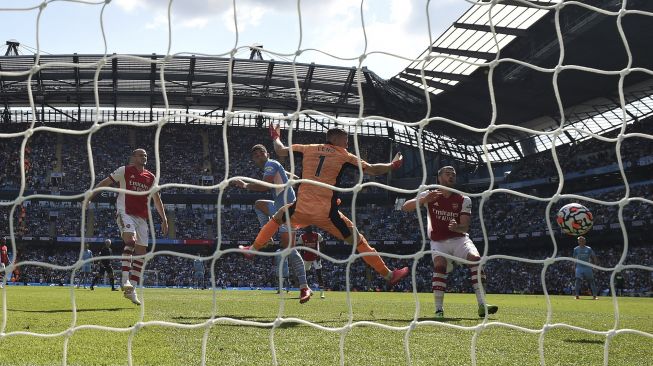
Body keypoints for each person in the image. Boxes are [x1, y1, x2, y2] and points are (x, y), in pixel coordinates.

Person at [240, 124, 409, 290]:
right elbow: (372, 170)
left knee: (278, 217)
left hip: (301, 209)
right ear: (334, 138)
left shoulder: (309, 148)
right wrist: (391, 165)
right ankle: (388, 275)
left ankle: (253, 249)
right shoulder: (344, 155)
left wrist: (275, 136)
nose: (348, 142)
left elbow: (280, 150)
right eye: (346, 138)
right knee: (357, 241)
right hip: (327, 214)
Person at [402, 166, 498, 319]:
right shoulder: (430, 194)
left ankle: (482, 304)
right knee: (439, 265)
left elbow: (465, 226)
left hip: (459, 239)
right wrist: (424, 200)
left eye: (453, 174)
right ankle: (439, 310)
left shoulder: (463, 199)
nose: (452, 176)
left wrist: (457, 226)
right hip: (438, 242)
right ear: (439, 178)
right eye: (448, 174)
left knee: (476, 259)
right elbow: (405, 207)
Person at [232, 144, 312, 303]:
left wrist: (245, 185)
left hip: (289, 211)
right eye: (255, 155)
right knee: (259, 205)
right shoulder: (275, 165)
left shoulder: (271, 164)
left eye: (261, 152)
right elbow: (289, 176)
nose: (258, 155)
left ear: (267, 154)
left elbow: (265, 186)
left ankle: (304, 286)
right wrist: (297, 180)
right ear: (253, 160)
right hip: (279, 207)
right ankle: (266, 236)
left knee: (289, 250)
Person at [88, 148, 168, 305]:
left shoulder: (150, 177)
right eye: (140, 155)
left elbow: (157, 199)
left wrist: (164, 219)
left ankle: (132, 289)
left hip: (142, 218)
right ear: (133, 157)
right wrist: (90, 196)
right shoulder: (124, 170)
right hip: (125, 212)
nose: (144, 157)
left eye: (145, 155)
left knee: (141, 254)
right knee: (130, 241)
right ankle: (125, 280)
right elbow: (105, 183)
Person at [297, 226, 326, 299]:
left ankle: (322, 293)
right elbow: (300, 249)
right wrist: (301, 257)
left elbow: (323, 243)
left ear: (312, 228)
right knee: (303, 275)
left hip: (316, 257)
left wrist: (319, 254)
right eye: (307, 228)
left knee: (319, 274)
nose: (308, 229)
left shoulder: (317, 235)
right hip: (306, 258)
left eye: (309, 228)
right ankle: (306, 291)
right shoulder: (302, 236)